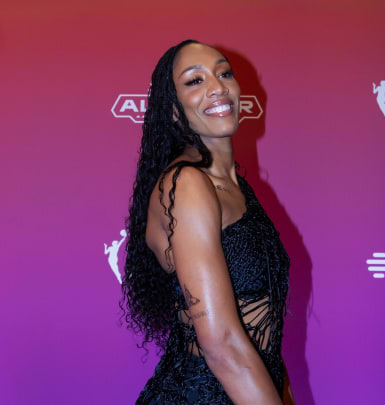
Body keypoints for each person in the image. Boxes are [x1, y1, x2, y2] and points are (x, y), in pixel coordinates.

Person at [120, 39, 293, 404]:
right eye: (195, 81)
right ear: (173, 110)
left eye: (224, 73)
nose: (218, 86)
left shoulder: (234, 185)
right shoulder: (188, 186)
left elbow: (264, 335)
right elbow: (222, 346)